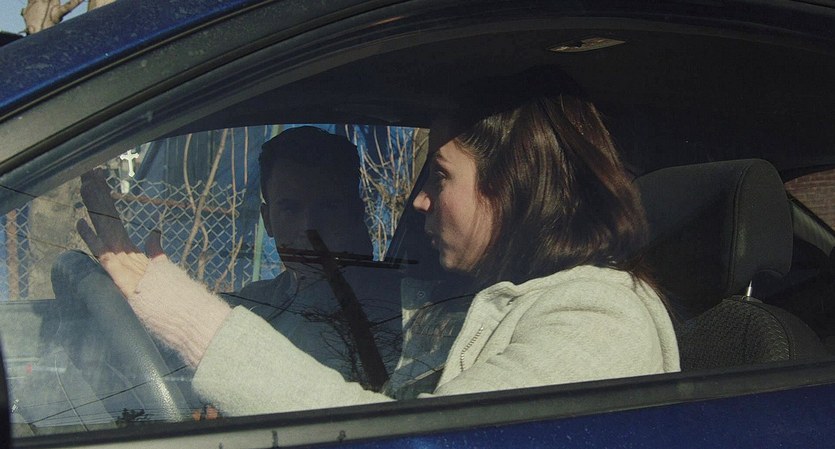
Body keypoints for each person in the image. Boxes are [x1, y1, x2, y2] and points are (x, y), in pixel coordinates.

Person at [76, 70, 680, 416]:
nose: (419, 201)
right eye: (289, 208)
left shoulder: (598, 321)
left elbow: (413, 441)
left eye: (439, 176)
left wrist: (178, 310)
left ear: (513, 184)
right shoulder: (461, 298)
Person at [224, 126, 394, 384]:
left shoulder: (396, 313)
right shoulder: (251, 308)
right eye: (290, 209)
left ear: (355, 213)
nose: (308, 226)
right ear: (267, 220)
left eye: (327, 207)